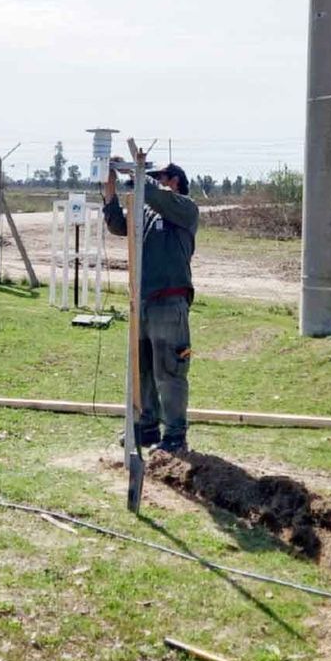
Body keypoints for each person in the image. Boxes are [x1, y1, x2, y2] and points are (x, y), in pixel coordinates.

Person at [104, 158, 198, 454]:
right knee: (141, 368)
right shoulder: (144, 212)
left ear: (175, 182)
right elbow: (119, 224)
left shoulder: (184, 208)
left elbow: (156, 195)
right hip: (142, 301)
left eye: (160, 178)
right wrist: (109, 191)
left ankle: (174, 434)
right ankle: (146, 427)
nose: (153, 182)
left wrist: (135, 172)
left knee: (169, 370)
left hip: (170, 302)